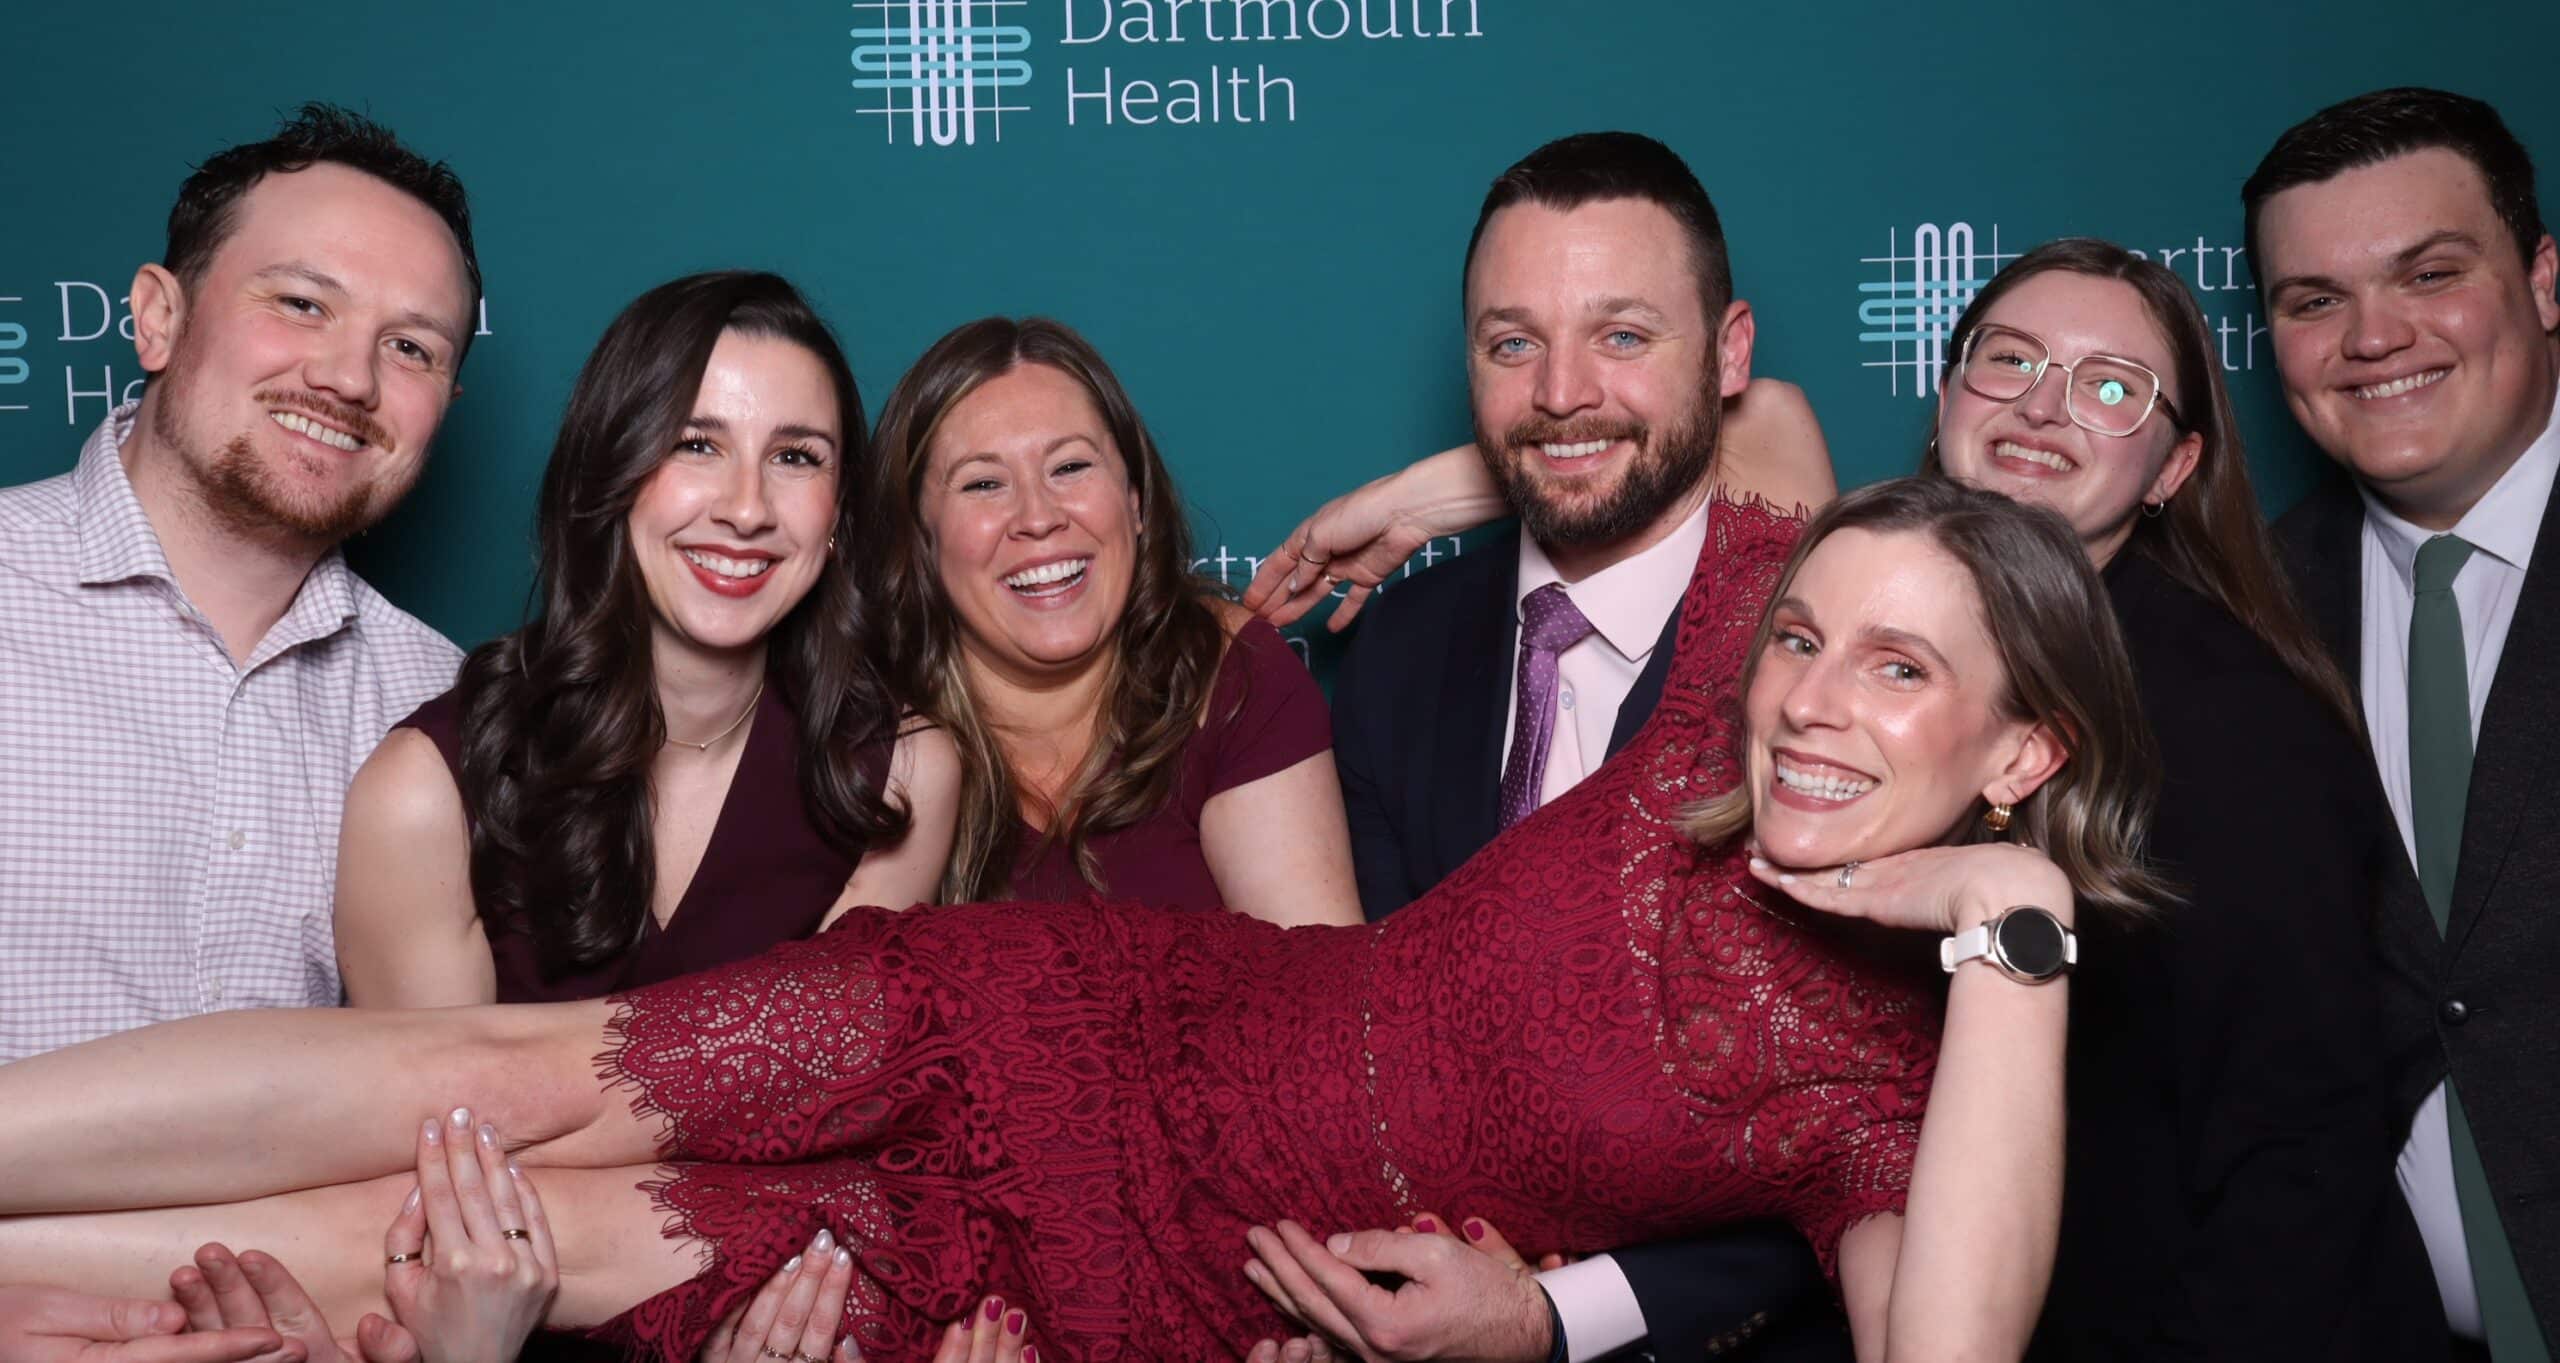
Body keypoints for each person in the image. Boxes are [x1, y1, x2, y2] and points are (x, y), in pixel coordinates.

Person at [0, 477, 2156, 1363]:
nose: (1804, 697)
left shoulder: (1885, 1091)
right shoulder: (1698, 724)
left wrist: (2007, 922)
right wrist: (1440, 494)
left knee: (525, 1248)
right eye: (1805, 641)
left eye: (1899, 673)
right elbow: (1745, 423)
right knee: (497, 1084)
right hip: (1081, 1010)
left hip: (1138, 1273)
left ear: (2018, 752)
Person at [1254, 239, 2437, 1362]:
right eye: (2008, 359)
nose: (2039, 406)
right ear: (1947, 390)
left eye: (2111, 386)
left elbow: (2300, 1147)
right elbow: (1741, 419)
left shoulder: (2237, 726)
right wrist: (1428, 501)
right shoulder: (1857, 568)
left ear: (2176, 463)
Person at [1246, 131, 1845, 1363]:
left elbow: (1870, 1111)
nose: (1561, 391)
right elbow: (1370, 1037)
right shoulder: (1403, 648)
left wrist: (1553, 1317)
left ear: (1730, 352)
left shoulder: (1822, 655)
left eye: (1622, 336)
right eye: (1513, 344)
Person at [332, 271, 957, 1008]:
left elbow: (830, 1089)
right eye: (696, 444)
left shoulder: (900, 772)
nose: (747, 508)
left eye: (796, 456)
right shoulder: (425, 788)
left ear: (839, 513)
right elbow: (438, 1109)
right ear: (612, 469)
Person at [0, 103, 472, 1062]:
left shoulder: (446, 702)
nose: (348, 378)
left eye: (411, 347)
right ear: (158, 316)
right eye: (302, 302)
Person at [2252, 87, 2560, 1361]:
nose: (2374, 338)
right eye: (2313, 300)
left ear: (2542, 280)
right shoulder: (2241, 616)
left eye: (2429, 274)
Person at [864, 316, 1360, 923]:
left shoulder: (1229, 673)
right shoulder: (867, 729)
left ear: (1135, 499)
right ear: (921, 541)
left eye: (1070, 468)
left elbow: (1317, 992)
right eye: (984, 483)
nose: (1038, 517)